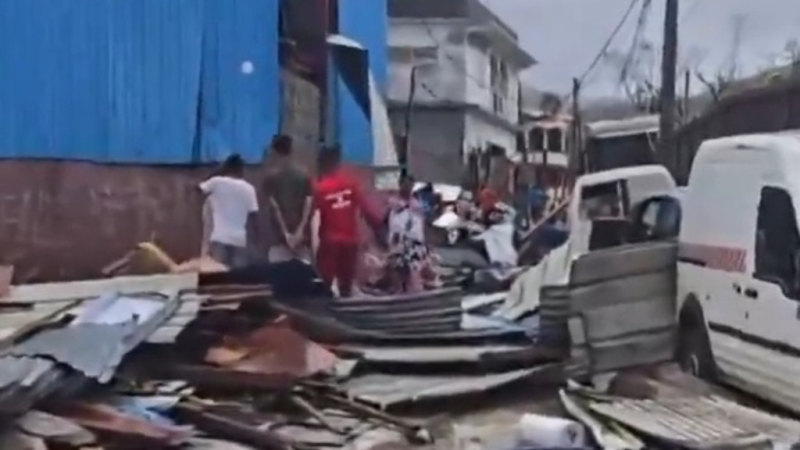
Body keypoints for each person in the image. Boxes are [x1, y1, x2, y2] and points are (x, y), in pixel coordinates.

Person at [313, 145, 368, 298]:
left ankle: (326, 312)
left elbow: (312, 217)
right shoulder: (351, 184)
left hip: (330, 242)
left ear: (323, 163)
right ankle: (345, 310)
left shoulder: (320, 189)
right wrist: (379, 227)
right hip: (351, 241)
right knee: (346, 284)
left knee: (325, 281)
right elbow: (366, 210)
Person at [199, 154, 258, 268]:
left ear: (226, 167)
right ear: (242, 169)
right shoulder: (249, 189)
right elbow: (254, 218)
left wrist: (216, 173)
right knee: (237, 278)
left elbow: (198, 189)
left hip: (219, 239)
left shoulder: (216, 182)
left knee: (218, 276)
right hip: (239, 241)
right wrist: (255, 242)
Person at [262, 135, 314, 263]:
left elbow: (274, 208)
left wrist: (287, 235)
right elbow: (308, 204)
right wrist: (299, 232)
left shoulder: (270, 178)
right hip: (302, 242)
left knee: (280, 278)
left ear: (274, 151)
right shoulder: (304, 175)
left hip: (279, 241)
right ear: (291, 150)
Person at [387, 174, 431, 293]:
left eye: (410, 185)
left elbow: (421, 225)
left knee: (414, 270)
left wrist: (424, 244)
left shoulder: (416, 204)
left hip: (414, 243)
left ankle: (414, 294)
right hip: (399, 242)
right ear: (400, 185)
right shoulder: (394, 203)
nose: (408, 187)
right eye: (405, 184)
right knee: (398, 271)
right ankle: (398, 294)